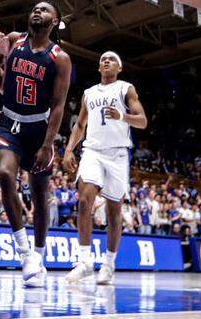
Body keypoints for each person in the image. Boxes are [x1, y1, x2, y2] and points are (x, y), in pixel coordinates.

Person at [0, 1, 73, 288]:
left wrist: (48, 144)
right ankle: (24, 253)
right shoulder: (13, 41)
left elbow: (59, 106)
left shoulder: (59, 58)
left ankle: (39, 253)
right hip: (9, 123)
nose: (37, 11)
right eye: (35, 8)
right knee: (7, 174)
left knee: (39, 195)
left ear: (54, 22)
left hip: (39, 128)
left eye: (45, 10)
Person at [63, 51, 147, 284]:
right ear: (99, 68)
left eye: (111, 60)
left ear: (119, 68)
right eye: (102, 60)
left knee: (113, 211)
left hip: (118, 154)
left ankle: (108, 264)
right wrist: (69, 149)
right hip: (93, 151)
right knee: (83, 200)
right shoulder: (89, 93)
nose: (106, 61)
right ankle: (84, 261)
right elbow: (80, 124)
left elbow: (142, 120)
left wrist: (122, 115)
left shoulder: (126, 89)